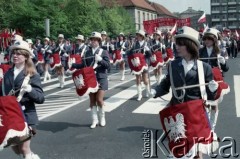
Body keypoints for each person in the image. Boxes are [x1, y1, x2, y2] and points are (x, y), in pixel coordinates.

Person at [152, 26, 218, 158]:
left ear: (190, 45)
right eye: (177, 43)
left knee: (197, 153)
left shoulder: (204, 68)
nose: (177, 46)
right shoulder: (173, 65)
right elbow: (166, 84)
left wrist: (213, 89)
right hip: (178, 115)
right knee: (179, 151)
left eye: (181, 44)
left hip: (196, 115)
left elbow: (211, 97)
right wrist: (155, 90)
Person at [1, 40, 44, 159]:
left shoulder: (32, 74)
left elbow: (41, 98)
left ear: (26, 57)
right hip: (11, 115)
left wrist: (30, 90)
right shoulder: (7, 73)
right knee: (17, 149)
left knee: (24, 148)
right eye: (14, 53)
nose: (15, 55)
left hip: (26, 115)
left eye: (19, 53)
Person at [71, 32, 110, 129]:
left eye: (95, 40)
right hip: (90, 79)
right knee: (92, 100)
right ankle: (94, 120)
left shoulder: (103, 52)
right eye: (92, 40)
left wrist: (101, 60)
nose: (93, 41)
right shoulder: (87, 53)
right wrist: (73, 65)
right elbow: (83, 65)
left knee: (99, 100)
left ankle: (102, 118)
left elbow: (108, 66)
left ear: (99, 41)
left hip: (101, 78)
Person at [128, 30, 151, 101]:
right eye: (137, 35)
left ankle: (147, 91)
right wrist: (128, 51)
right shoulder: (134, 44)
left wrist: (148, 51)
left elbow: (150, 55)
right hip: (137, 63)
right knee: (137, 79)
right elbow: (130, 53)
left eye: (138, 35)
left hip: (144, 63)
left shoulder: (146, 43)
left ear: (142, 36)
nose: (137, 36)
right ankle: (139, 94)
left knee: (145, 79)